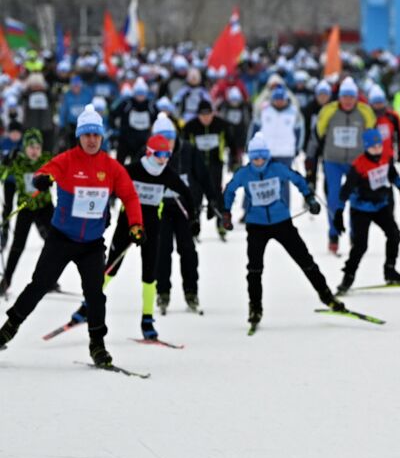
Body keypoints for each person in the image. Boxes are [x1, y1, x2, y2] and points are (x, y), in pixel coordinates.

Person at [0, 106, 143, 367]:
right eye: (87, 134)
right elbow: (46, 171)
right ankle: (9, 328)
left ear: (102, 137)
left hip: (91, 244)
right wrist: (42, 180)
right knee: (39, 285)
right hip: (61, 239)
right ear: (79, 136)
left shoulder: (111, 168)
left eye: (96, 135)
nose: (91, 139)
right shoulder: (66, 160)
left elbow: (130, 196)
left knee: (95, 295)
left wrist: (135, 224)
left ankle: (97, 345)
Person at [221, 134, 343, 331]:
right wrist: (226, 212)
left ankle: (327, 296)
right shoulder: (244, 174)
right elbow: (229, 190)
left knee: (305, 260)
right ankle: (255, 308)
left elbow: (298, 180)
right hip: (256, 225)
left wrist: (310, 198)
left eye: (262, 157)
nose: (259, 162)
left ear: (267, 156)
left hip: (281, 222)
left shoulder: (277, 168)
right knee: (254, 269)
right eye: (255, 158)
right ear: (250, 158)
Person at [96, 131, 196, 341]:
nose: (164, 159)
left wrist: (193, 219)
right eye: (159, 155)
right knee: (112, 267)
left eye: (167, 155)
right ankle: (89, 303)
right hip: (126, 224)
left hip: (151, 227)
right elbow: (109, 188)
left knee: (149, 274)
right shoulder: (133, 169)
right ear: (149, 153)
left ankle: (147, 318)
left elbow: (187, 193)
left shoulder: (167, 173)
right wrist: (104, 214)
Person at [159, 100, 229, 312]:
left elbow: (204, 177)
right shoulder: (148, 154)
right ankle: (163, 293)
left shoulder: (188, 151)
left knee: (188, 251)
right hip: (161, 210)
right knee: (162, 252)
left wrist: (213, 200)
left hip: (185, 209)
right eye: (161, 140)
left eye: (169, 139)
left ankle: (191, 292)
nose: (166, 145)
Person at [335, 129, 400, 294]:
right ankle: (348, 277)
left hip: (381, 206)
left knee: (394, 234)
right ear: (365, 147)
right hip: (361, 210)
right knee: (361, 245)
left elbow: (393, 175)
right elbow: (346, 190)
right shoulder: (359, 165)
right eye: (373, 147)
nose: (377, 149)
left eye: (379, 145)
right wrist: (339, 213)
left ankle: (390, 270)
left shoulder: (386, 157)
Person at [313, 78, 377, 253]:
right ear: (339, 97)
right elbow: (319, 132)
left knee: (356, 199)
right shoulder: (329, 111)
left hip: (355, 163)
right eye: (345, 96)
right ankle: (333, 234)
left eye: (351, 97)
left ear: (356, 97)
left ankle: (354, 235)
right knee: (334, 198)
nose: (348, 100)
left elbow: (371, 134)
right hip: (333, 161)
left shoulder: (365, 112)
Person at [0, 131, 52, 297]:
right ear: (25, 148)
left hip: (45, 206)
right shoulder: (18, 162)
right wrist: (5, 162)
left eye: (37, 147)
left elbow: (64, 172)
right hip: (26, 207)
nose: (34, 151)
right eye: (31, 147)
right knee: (18, 246)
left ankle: (49, 278)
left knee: (55, 243)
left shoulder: (46, 160)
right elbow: (2, 176)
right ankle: (6, 280)